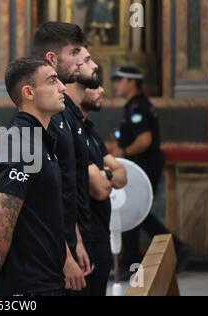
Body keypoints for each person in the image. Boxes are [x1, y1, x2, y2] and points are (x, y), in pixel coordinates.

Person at [0, 57, 67, 296]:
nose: (63, 87)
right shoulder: (21, 146)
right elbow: (0, 228)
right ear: (29, 92)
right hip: (27, 289)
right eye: (52, 81)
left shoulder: (37, 140)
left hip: (46, 283)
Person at [110, 66, 190, 277]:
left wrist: (123, 151)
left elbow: (145, 140)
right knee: (137, 210)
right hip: (142, 164)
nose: (116, 84)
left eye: (119, 80)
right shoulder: (135, 106)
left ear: (130, 82)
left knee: (134, 209)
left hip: (143, 164)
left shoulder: (138, 107)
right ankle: (171, 249)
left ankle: (134, 260)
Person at [31, 21, 91, 293]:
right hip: (49, 254)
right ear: (52, 59)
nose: (81, 61)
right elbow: (44, 198)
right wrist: (65, 255)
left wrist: (75, 239)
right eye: (75, 52)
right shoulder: (43, 118)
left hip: (67, 240)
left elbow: (68, 183)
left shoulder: (63, 110)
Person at [80, 76, 128, 296]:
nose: (102, 90)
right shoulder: (71, 131)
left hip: (101, 233)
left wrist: (103, 173)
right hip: (84, 237)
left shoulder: (90, 131)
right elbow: (99, 189)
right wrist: (107, 176)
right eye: (94, 86)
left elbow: (122, 174)